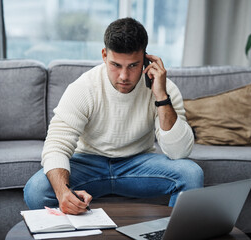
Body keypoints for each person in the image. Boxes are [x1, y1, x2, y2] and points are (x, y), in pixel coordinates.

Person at [24, 17, 203, 215]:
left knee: (191, 174)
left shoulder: (164, 89)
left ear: (146, 59)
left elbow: (179, 153)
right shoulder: (84, 88)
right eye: (116, 65)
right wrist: (62, 192)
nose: (124, 76)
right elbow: (56, 145)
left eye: (133, 66)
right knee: (36, 190)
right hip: (88, 162)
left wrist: (161, 97)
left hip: (138, 164)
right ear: (104, 55)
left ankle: (170, 234)